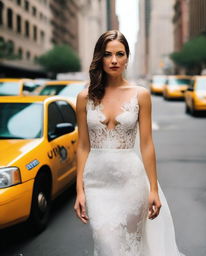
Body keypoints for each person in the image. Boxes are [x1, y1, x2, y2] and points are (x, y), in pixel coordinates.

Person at [74, 30, 184, 256]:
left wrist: (153, 188)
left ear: (127, 57)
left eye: (120, 54)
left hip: (131, 183)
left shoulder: (140, 94)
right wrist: (79, 190)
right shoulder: (84, 97)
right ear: (99, 58)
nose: (114, 60)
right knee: (106, 243)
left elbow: (146, 145)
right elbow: (83, 146)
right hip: (97, 183)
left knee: (130, 249)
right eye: (107, 54)